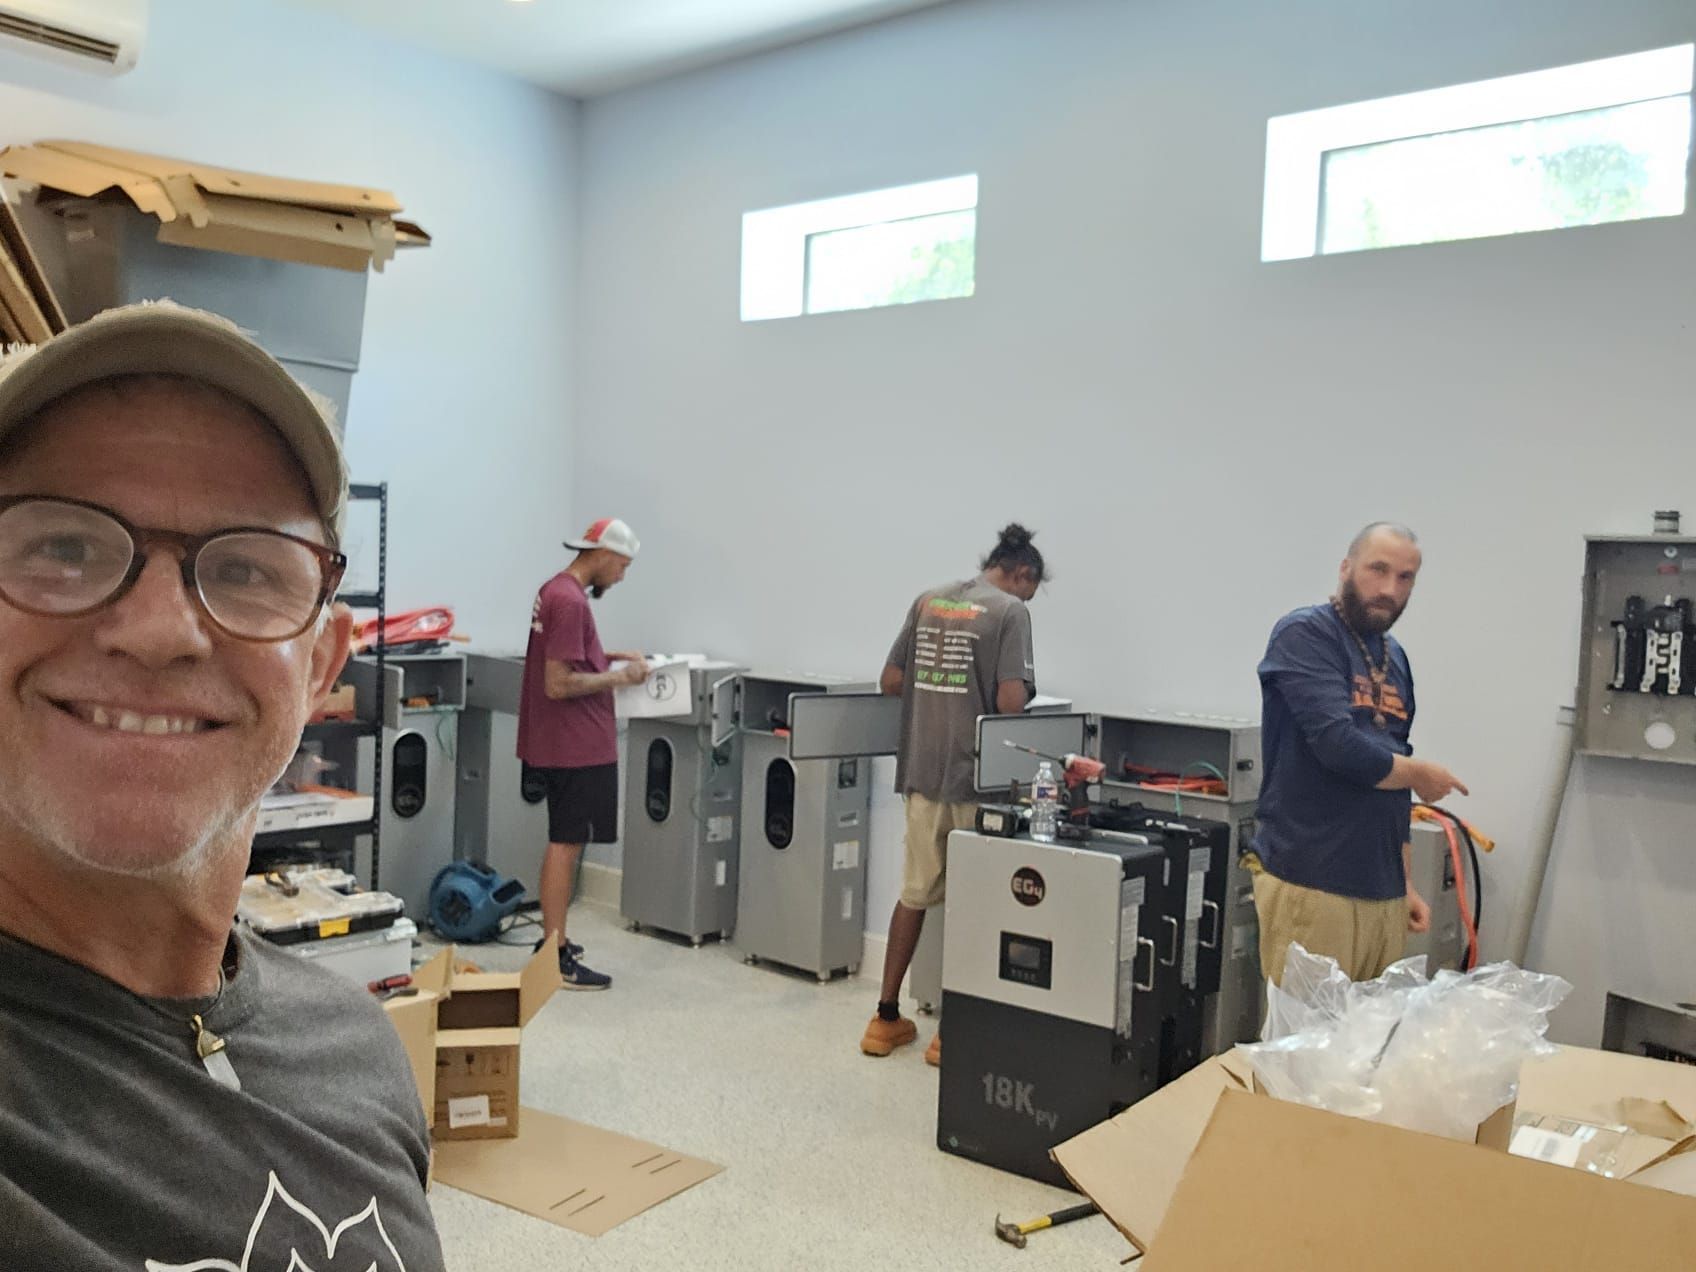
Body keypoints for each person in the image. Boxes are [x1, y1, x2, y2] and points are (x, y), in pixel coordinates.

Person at [0, 302, 445, 1269]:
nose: (160, 630)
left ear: (323, 666)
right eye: (65, 549)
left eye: (244, 567)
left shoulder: (360, 1051)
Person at [1249, 522, 1469, 987]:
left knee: (1362, 1046)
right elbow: (1339, 748)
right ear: (1346, 568)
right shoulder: (1305, 634)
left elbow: (1393, 760)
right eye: (1378, 570)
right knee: (1305, 1048)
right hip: (1314, 880)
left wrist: (1403, 880)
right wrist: (1417, 774)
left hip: (1380, 888)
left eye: (1405, 578)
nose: (1390, 589)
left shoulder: (1395, 657)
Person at [861, 523, 1043, 1063]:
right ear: (1021, 574)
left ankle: (885, 1018)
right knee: (974, 904)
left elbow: (890, 681)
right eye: (1029, 588)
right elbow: (1011, 702)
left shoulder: (927, 601)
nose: (1027, 597)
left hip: (921, 772)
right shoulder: (1010, 613)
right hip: (977, 782)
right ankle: (951, 1031)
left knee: (913, 895)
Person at [518, 517, 648, 990]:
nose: (621, 576)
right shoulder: (571, 601)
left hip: (562, 742)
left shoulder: (556, 591)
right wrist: (620, 678)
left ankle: (553, 941)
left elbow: (568, 656)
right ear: (606, 555)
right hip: (574, 745)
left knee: (564, 840)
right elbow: (558, 683)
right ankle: (555, 954)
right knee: (567, 843)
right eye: (623, 566)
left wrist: (610, 657)